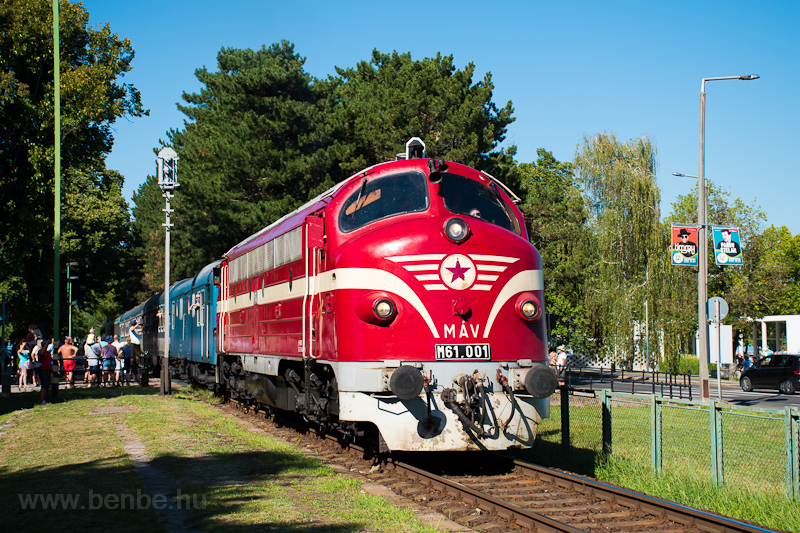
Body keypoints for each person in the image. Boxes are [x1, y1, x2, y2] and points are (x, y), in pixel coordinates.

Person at [37, 338, 53, 404]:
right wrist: (46, 344)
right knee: (44, 385)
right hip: (43, 370)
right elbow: (41, 353)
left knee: (47, 385)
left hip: (48, 370)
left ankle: (45, 399)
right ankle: (42, 400)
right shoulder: (40, 351)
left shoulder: (48, 353)